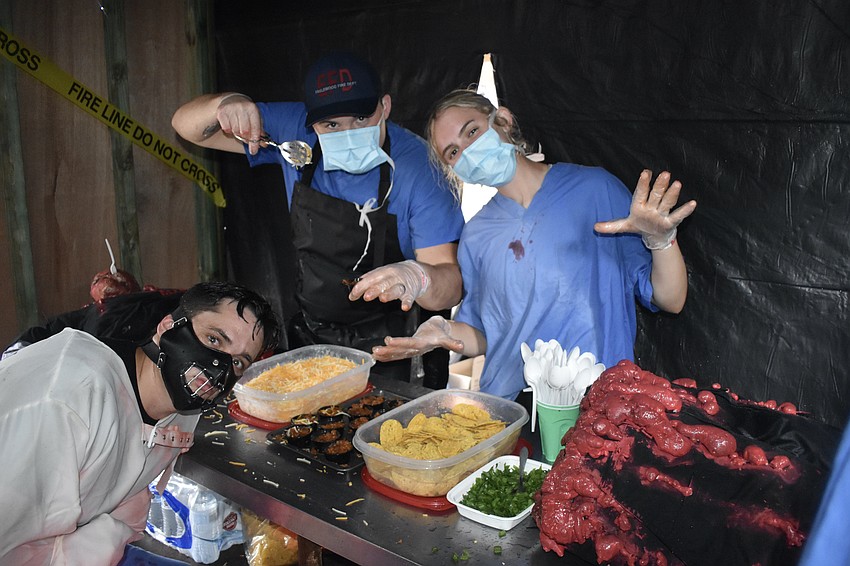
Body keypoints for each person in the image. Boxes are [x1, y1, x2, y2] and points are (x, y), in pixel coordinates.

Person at [373, 89, 697, 400]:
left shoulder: (595, 190)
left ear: (503, 120)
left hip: (595, 403)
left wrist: (661, 241)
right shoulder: (476, 235)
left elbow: (671, 300)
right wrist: (444, 333)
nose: (467, 150)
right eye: (453, 152)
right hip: (511, 406)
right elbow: (486, 334)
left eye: (471, 131)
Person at [171, 51, 464, 388]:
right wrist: (226, 104)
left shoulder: (421, 171)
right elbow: (186, 126)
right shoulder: (293, 133)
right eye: (331, 125)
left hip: (400, 346)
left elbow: (451, 286)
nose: (349, 131)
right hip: (317, 336)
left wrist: (418, 277)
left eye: (361, 118)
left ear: (384, 106)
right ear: (311, 122)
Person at [0, 281, 281, 565]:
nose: (219, 367)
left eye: (238, 363)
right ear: (168, 326)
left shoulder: (180, 414)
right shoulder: (69, 400)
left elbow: (125, 502)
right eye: (214, 340)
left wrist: (102, 537)